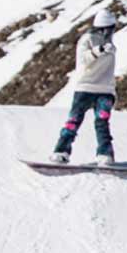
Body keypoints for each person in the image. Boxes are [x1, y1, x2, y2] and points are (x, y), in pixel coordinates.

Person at [51, 10, 121, 166]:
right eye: (109, 28)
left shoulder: (111, 44)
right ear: (102, 27)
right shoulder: (87, 40)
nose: (111, 31)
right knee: (73, 121)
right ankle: (61, 151)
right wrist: (99, 51)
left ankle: (105, 154)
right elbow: (83, 60)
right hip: (85, 88)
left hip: (105, 90)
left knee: (102, 123)